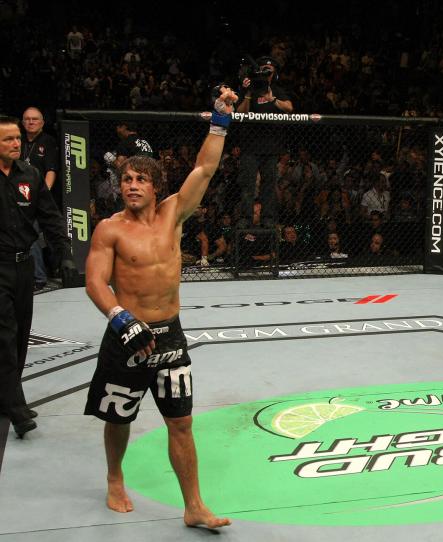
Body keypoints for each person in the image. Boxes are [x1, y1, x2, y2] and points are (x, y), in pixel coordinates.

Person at [82, 87, 237, 528]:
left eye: (140, 180)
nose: (131, 186)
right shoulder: (110, 230)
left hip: (169, 335)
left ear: (154, 186)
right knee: (118, 416)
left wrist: (220, 121)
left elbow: (205, 168)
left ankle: (193, 507)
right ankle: (115, 477)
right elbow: (95, 282)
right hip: (125, 336)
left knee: (182, 422)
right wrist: (120, 317)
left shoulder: (173, 215)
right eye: (125, 179)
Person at [0, 115, 76, 437]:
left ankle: (7, 398)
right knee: (3, 337)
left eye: (18, 138)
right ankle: (17, 410)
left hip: (23, 267)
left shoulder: (30, 175)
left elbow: (50, 216)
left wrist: (66, 255)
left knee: (19, 338)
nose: (16, 143)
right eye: (8, 140)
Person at [235, 55, 293, 227]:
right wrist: (247, 93)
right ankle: (246, 218)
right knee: (248, 185)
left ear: (273, 75)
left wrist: (272, 99)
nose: (266, 75)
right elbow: (240, 114)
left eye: (270, 72)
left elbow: (289, 108)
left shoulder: (276, 90)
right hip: (250, 146)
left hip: (271, 146)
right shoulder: (250, 89)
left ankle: (268, 218)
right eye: (264, 71)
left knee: (269, 185)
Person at [21, 107, 60, 289]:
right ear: (23, 122)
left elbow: (51, 170)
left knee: (35, 235)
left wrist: (42, 195)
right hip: (17, 195)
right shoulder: (18, 141)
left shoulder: (48, 141)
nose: (31, 122)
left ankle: (39, 278)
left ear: (42, 123)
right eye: (27, 119)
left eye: (35, 119)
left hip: (38, 197)